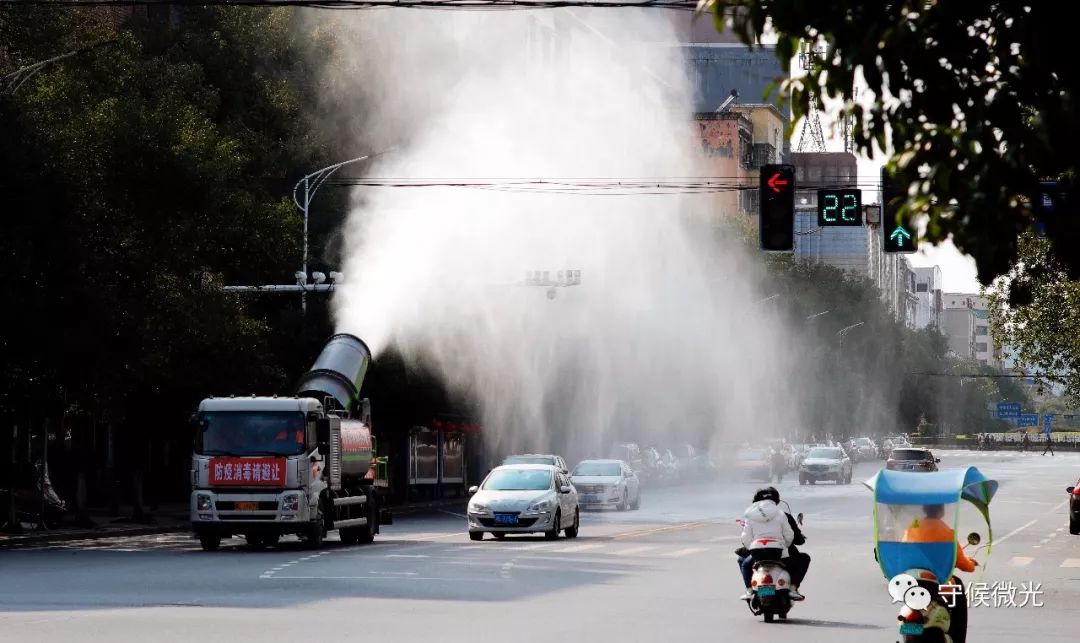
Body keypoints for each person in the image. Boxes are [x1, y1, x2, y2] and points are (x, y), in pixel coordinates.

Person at [902, 504, 977, 643]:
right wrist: (971, 564)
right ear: (941, 511)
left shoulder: (912, 528)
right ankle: (957, 638)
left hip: (913, 581)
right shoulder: (947, 532)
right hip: (938, 584)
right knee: (958, 587)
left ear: (924, 509)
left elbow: (904, 551)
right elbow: (964, 565)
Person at [736, 487, 809, 601]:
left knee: (743, 562)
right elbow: (790, 535)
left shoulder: (750, 516)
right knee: (803, 559)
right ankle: (793, 588)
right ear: (776, 501)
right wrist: (785, 546)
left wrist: (752, 548)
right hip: (778, 553)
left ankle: (749, 590)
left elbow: (745, 538)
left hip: (757, 554)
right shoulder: (781, 514)